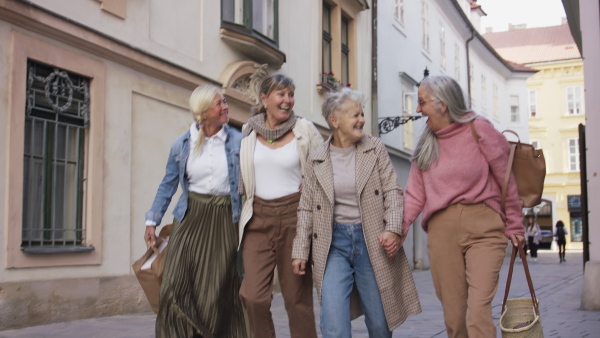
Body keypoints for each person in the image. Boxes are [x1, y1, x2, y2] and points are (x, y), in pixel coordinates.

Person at [292, 88, 421, 338]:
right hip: (332, 245)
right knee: (334, 326)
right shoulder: (317, 159)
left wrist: (393, 229)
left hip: (371, 240)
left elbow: (393, 192)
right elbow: (306, 207)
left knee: (380, 325)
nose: (361, 119)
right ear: (335, 120)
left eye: (362, 114)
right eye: (355, 115)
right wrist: (300, 250)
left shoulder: (374, 149)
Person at [402, 75, 525, 338]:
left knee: (477, 313)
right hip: (442, 234)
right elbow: (414, 195)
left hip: (484, 230)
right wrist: (396, 230)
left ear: (442, 104)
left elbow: (506, 179)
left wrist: (515, 223)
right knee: (455, 320)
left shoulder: (479, 129)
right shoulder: (426, 142)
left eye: (422, 102)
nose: (417, 109)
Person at [144, 85, 249, 337]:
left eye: (225, 102)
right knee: (174, 286)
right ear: (203, 112)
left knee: (216, 292)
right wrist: (152, 220)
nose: (226, 107)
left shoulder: (241, 140)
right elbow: (168, 184)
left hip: (225, 220)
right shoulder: (181, 144)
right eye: (219, 104)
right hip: (190, 218)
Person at [238, 73, 322, 338]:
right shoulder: (248, 131)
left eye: (290, 94)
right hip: (257, 219)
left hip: (294, 218)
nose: (288, 101)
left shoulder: (305, 129)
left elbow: (324, 168)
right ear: (264, 99)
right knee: (253, 297)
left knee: (297, 300)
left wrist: (311, 185)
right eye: (281, 94)